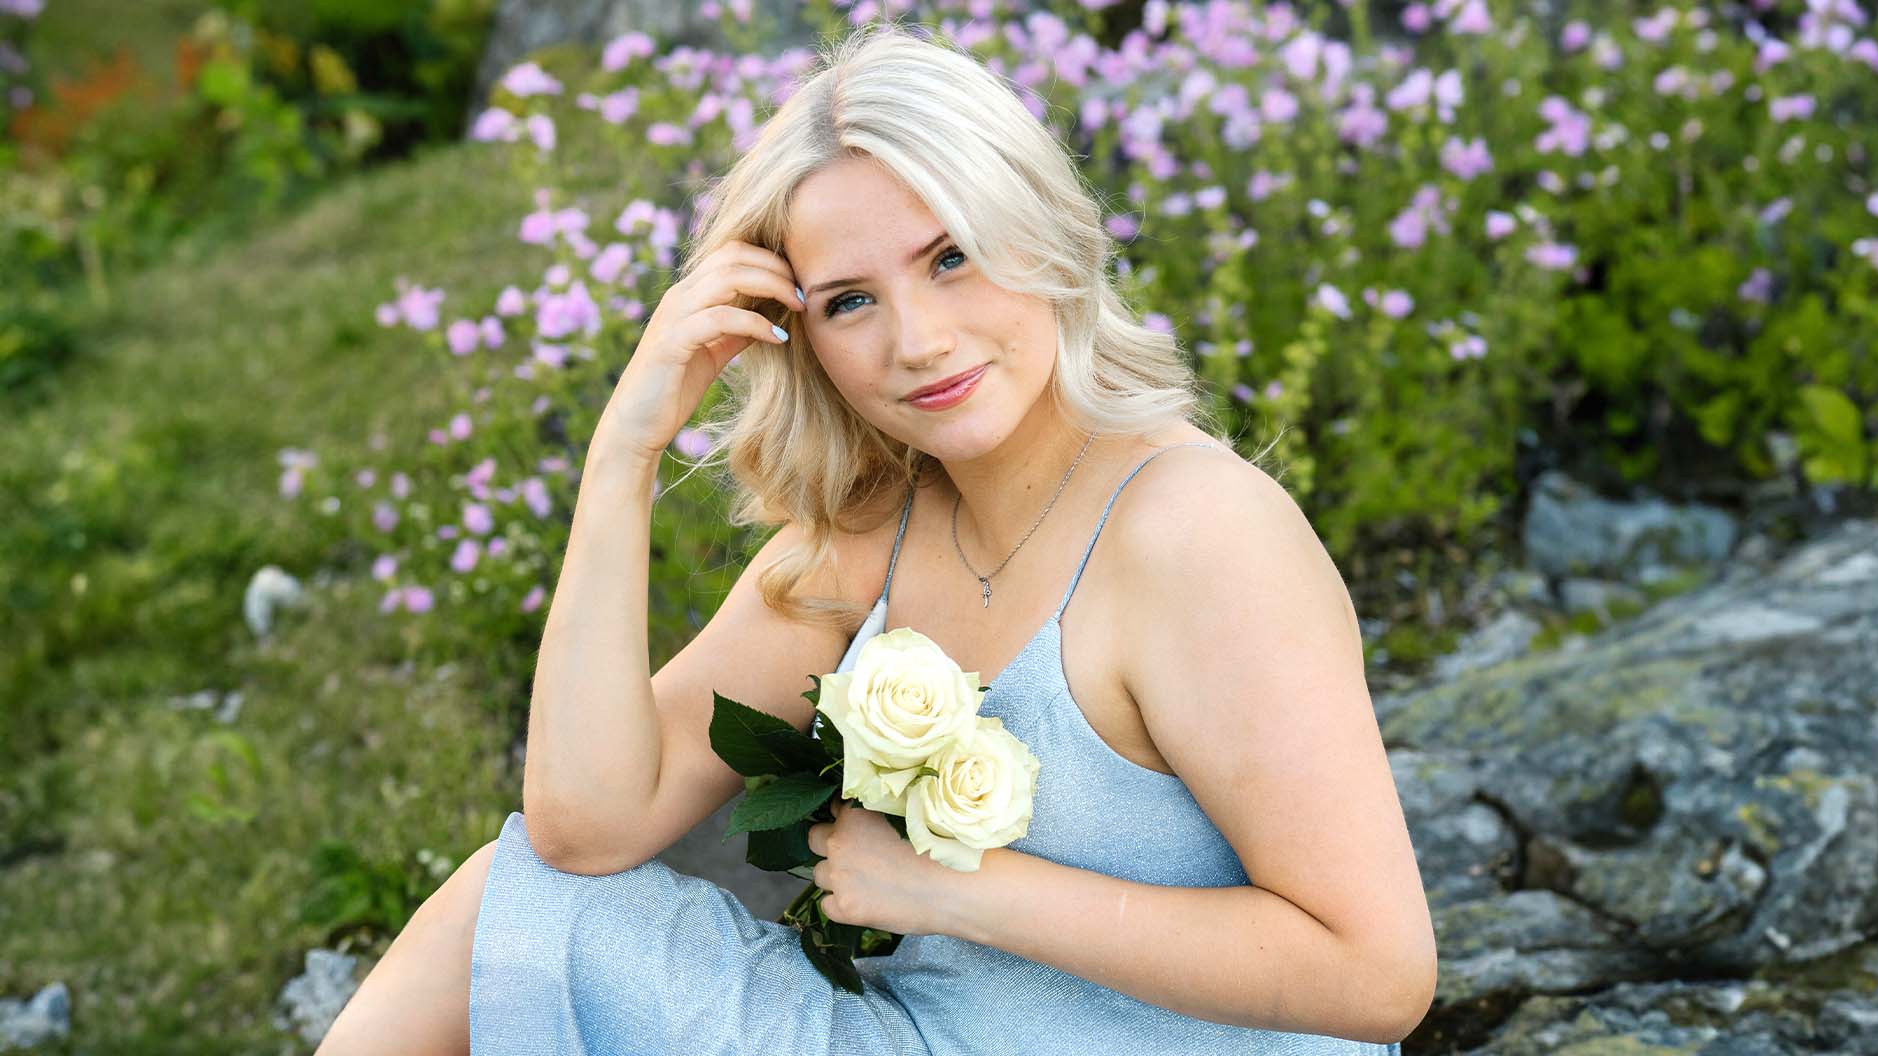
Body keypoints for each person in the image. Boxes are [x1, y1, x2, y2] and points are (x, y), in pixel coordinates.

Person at [318, 20, 1433, 1056]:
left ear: (1038, 231)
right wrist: (624, 456)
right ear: (800, 339)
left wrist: (958, 892)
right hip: (916, 1040)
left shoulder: (1200, 533)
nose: (919, 340)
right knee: (505, 909)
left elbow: (1377, 973)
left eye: (951, 256)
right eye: (850, 301)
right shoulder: (871, 542)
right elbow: (584, 828)